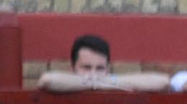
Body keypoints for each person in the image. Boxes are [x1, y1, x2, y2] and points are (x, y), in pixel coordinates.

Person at [38, 34, 174, 93]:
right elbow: (47, 80)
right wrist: (96, 83)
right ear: (72, 68)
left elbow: (163, 82)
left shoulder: (109, 80)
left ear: (108, 69)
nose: (93, 74)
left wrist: (108, 82)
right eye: (86, 67)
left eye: (99, 68)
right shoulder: (63, 81)